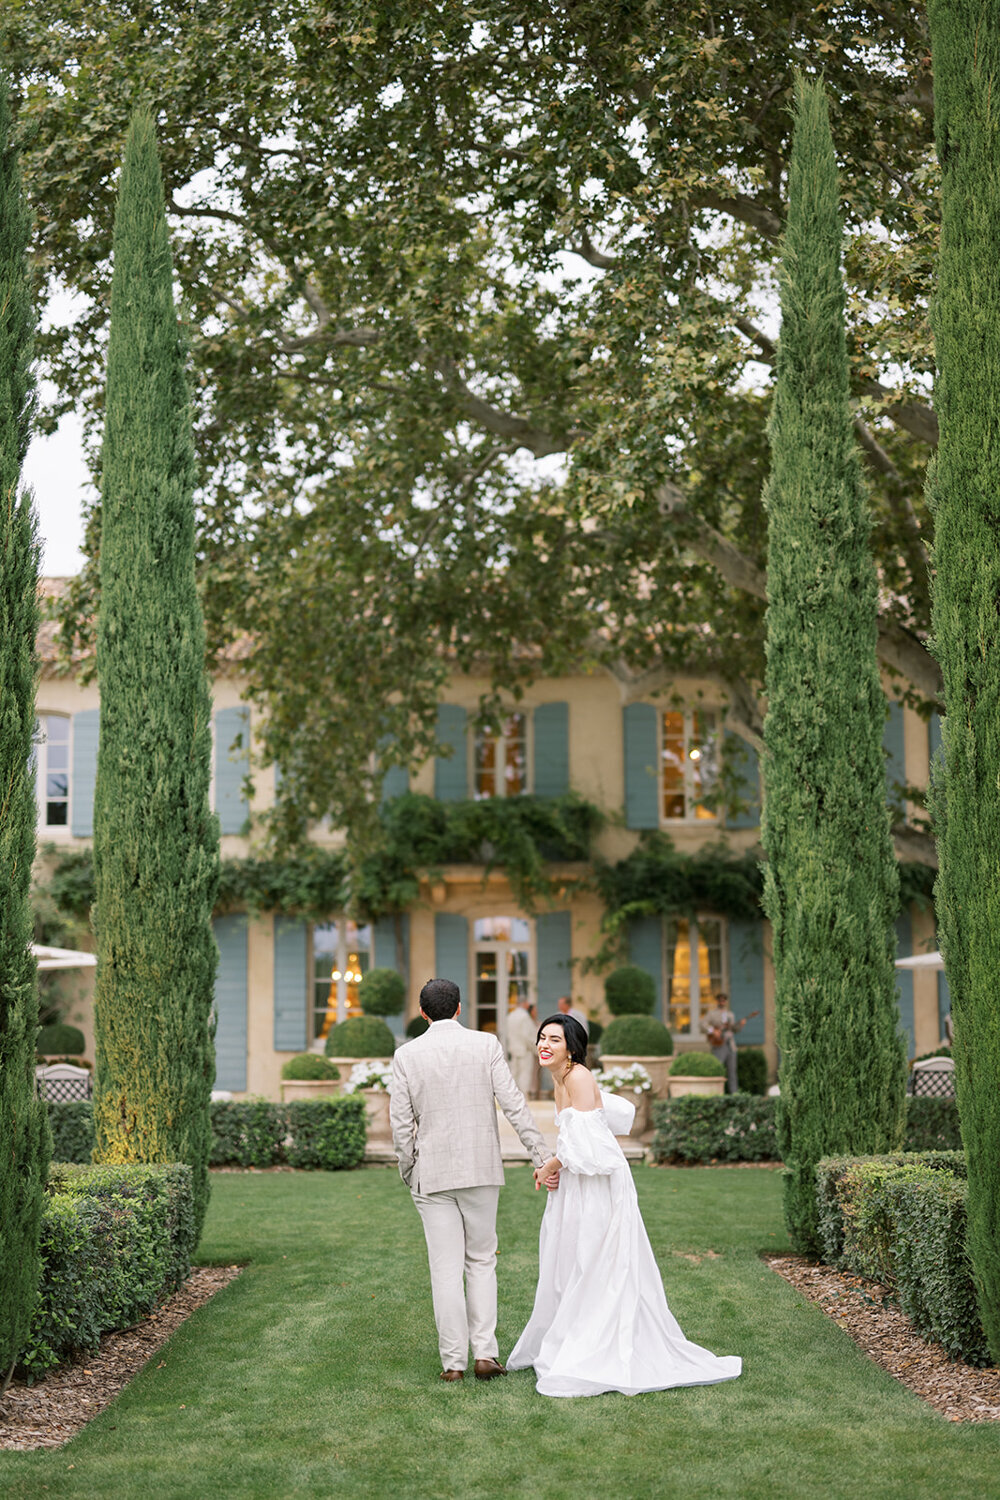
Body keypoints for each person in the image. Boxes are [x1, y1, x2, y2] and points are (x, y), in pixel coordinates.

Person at [507, 1013, 742, 1398]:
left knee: (598, 1257)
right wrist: (555, 1167)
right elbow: (572, 1141)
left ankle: (601, 1342)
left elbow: (589, 1144)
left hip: (600, 1184)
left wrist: (551, 1164)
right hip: (579, 1181)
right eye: (541, 1038)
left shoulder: (579, 1076)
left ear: (572, 1047)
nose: (544, 1046)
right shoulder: (558, 1079)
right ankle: (573, 1333)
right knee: (570, 1258)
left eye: (554, 1039)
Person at [389, 977, 551, 1384]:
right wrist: (543, 1155)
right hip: (480, 1169)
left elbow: (401, 1124)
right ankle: (485, 1354)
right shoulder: (485, 1044)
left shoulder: (407, 1055)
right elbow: (514, 1103)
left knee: (445, 1269)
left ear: (423, 1013)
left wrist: (408, 1168)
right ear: (459, 1008)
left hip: (432, 1174)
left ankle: (453, 1363)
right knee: (480, 1261)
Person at [702, 991, 755, 1094]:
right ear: (717, 1001)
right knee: (717, 1070)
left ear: (726, 1001)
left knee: (732, 1072)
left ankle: (734, 1094)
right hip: (718, 1045)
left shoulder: (730, 1014)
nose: (722, 1002)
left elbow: (734, 1029)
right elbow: (702, 1024)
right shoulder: (712, 1014)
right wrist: (713, 1031)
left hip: (730, 1045)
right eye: (720, 1000)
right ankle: (716, 1093)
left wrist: (741, 1024)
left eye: (724, 1000)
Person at [506, 996, 537, 1096]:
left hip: (514, 1049)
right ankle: (524, 1097)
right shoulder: (524, 1016)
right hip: (524, 1050)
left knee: (514, 1074)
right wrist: (536, 1049)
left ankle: (512, 1096)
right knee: (524, 1074)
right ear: (525, 1004)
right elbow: (528, 1036)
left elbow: (508, 1034)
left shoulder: (511, 1016)